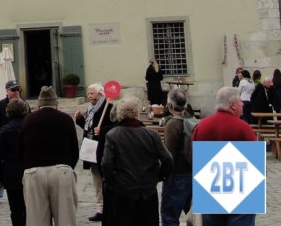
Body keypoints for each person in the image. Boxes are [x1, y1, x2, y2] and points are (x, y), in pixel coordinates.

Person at [101, 95, 173, 226]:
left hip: (123, 191)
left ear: (119, 114)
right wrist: (159, 176)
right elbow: (167, 159)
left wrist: (112, 182)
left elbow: (106, 164)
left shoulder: (113, 135)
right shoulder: (151, 134)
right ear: (137, 113)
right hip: (147, 191)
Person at [191, 86, 257, 226]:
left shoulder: (202, 126)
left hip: (211, 187)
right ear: (233, 105)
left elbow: (193, 157)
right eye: (240, 101)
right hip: (240, 189)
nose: (243, 104)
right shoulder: (243, 128)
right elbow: (256, 163)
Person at [19, 86, 79, 226]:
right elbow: (74, 149)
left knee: (36, 220)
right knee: (65, 219)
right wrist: (68, 166)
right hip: (61, 170)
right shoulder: (66, 119)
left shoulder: (28, 120)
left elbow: (20, 149)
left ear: (38, 104)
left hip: (34, 172)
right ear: (56, 103)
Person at [74, 82, 114, 222]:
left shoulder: (108, 107)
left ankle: (109, 208)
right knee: (96, 181)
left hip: (103, 149)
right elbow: (88, 127)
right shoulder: (90, 108)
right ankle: (100, 209)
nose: (89, 96)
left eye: (91, 93)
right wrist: (80, 119)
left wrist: (102, 130)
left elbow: (115, 126)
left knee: (106, 180)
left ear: (100, 94)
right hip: (91, 148)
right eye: (88, 93)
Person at [160, 88, 195, 226]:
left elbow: (169, 155)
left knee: (169, 216)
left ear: (170, 105)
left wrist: (162, 174)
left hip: (177, 176)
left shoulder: (173, 123)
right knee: (195, 216)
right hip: (193, 173)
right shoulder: (193, 120)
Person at [0, 97, 29, 226]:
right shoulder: (30, 128)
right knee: (31, 207)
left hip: (11, 171)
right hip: (29, 168)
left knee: (16, 208)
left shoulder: (4, 131)